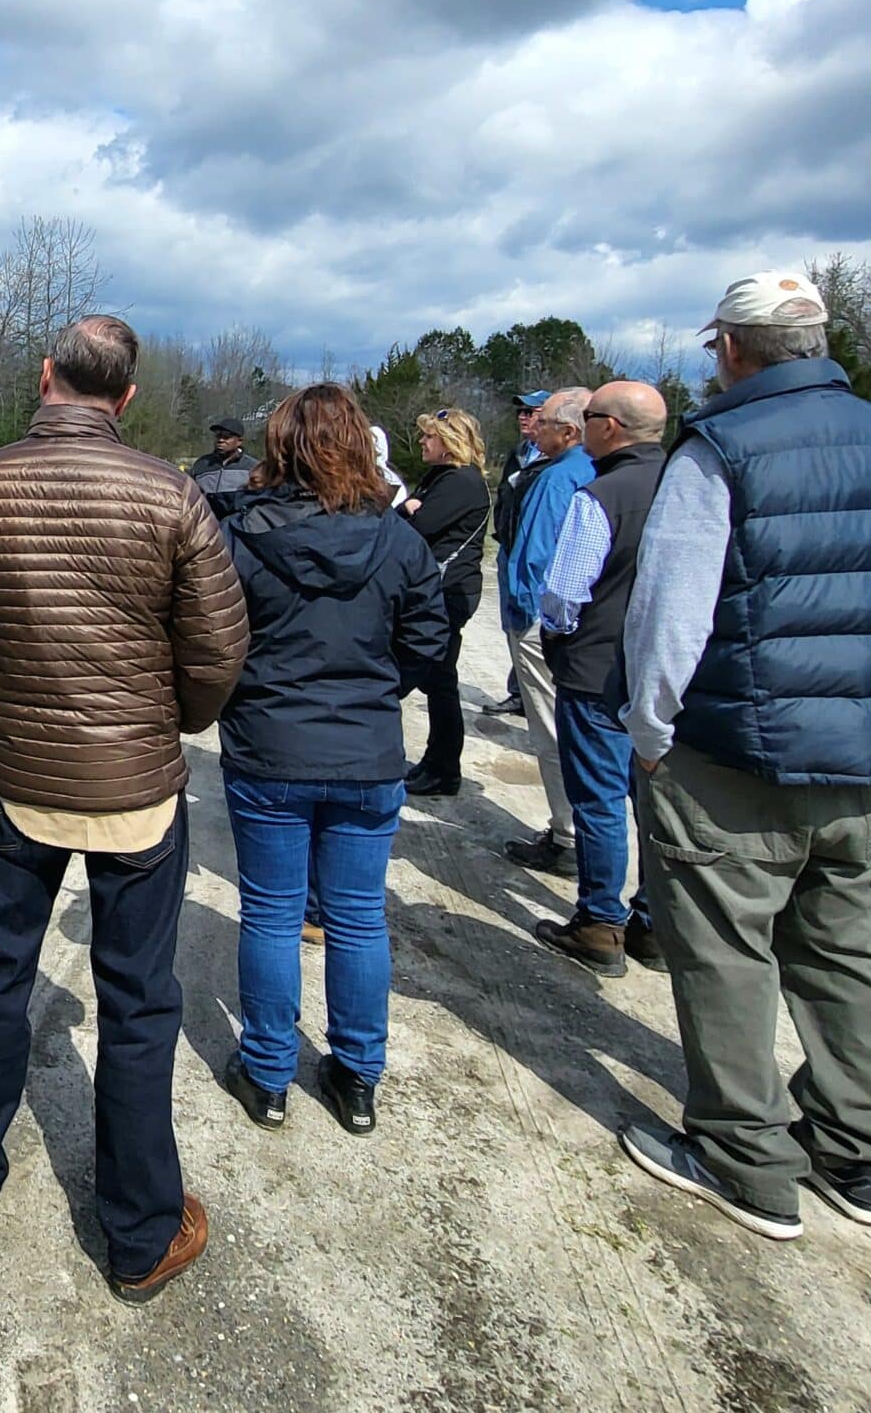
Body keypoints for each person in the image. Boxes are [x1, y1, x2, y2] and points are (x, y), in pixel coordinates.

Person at [0, 315, 248, 1305]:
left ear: (45, 376)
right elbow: (219, 653)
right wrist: (161, 722)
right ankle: (137, 1234)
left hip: (19, 780)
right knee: (138, 1003)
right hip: (133, 792)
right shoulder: (172, 495)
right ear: (125, 396)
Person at [619, 270, 871, 1241]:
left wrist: (650, 735)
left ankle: (743, 1155)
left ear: (729, 346)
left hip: (733, 754)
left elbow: (669, 614)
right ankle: (855, 1151)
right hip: (858, 754)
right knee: (846, 949)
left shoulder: (720, 445)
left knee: (726, 951)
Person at [211, 386, 448, 1135]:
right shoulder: (399, 541)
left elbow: (214, 641)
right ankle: (354, 1074)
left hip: (273, 747)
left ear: (280, 446)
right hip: (362, 749)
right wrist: (377, 690)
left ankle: (271, 1070)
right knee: (356, 919)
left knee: (276, 915)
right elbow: (428, 642)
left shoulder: (244, 539)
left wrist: (250, 694)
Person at [528, 380, 669, 976]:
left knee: (600, 798)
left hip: (597, 669)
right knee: (655, 800)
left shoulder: (601, 494)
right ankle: (654, 923)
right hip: (667, 671)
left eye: (588, 417)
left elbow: (564, 591)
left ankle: (600, 921)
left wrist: (557, 636)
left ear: (609, 426)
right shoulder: (694, 484)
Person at [496, 388, 596, 871]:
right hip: (580, 623)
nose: (536, 429)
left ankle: (567, 834)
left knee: (550, 726)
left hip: (541, 619)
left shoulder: (558, 478)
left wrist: (520, 614)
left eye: (547, 423)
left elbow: (532, 554)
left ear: (570, 431)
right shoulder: (594, 469)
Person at [401, 410, 490, 797]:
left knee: (438, 679)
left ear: (450, 442)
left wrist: (407, 510)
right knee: (437, 680)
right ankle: (436, 762)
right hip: (436, 588)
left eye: (429, 437)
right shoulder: (441, 477)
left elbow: (417, 528)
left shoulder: (461, 482)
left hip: (449, 590)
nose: (422, 442)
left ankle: (444, 767)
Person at [478, 390, 555, 715]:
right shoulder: (520, 453)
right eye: (520, 412)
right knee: (512, 623)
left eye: (531, 411)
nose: (524, 417)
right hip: (509, 549)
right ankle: (519, 691)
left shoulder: (555, 459)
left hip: (538, 554)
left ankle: (540, 695)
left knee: (535, 625)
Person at [189, 418, 253, 500]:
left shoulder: (251, 467)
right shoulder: (201, 464)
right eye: (218, 436)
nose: (220, 440)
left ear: (239, 441)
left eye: (226, 437)